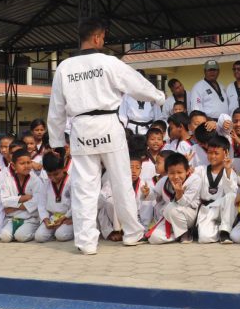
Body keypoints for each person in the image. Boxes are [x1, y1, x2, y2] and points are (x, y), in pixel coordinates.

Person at [47, 17, 165, 254]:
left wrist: (57, 142)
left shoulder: (64, 67)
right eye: (103, 37)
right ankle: (132, 233)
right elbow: (137, 84)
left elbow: (56, 108)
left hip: (81, 128)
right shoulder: (109, 62)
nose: (104, 41)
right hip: (108, 124)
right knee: (121, 182)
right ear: (97, 37)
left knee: (84, 187)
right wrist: (158, 96)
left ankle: (86, 242)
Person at [147, 152, 202, 244]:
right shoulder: (164, 180)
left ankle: (185, 233)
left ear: (187, 171)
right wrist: (147, 193)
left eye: (179, 172)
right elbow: (155, 194)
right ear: (167, 172)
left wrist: (179, 194)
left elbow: (185, 203)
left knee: (170, 207)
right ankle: (178, 235)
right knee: (154, 238)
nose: (176, 176)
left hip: (189, 215)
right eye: (171, 173)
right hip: (170, 217)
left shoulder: (195, 180)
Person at [195, 135, 239, 243]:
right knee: (205, 238)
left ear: (225, 153)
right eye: (210, 153)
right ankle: (218, 228)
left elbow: (231, 192)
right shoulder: (200, 170)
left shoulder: (230, 171)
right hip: (207, 209)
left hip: (223, 208)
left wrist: (227, 170)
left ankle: (225, 231)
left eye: (216, 153)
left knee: (232, 196)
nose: (212, 156)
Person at [0, 149, 42, 243]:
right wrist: (23, 198)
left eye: (28, 162)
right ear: (13, 166)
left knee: (20, 237)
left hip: (30, 219)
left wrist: (13, 207)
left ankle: (34, 230)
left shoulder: (36, 180)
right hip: (12, 219)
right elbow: (4, 201)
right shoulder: (8, 180)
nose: (26, 166)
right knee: (4, 237)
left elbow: (36, 201)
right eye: (22, 163)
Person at [34, 152, 73, 243]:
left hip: (69, 218)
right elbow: (41, 203)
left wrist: (65, 217)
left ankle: (67, 231)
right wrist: (46, 219)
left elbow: (76, 203)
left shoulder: (71, 182)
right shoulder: (46, 183)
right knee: (39, 237)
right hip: (54, 218)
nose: (53, 178)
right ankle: (54, 232)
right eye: (49, 175)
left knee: (61, 235)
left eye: (56, 174)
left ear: (63, 168)